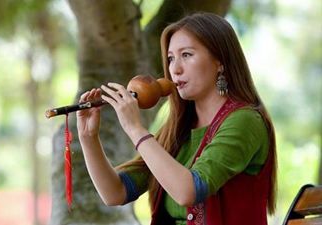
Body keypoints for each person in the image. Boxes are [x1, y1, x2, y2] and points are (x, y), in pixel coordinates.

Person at [76, 12, 277, 225]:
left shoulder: (245, 121)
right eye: (171, 58)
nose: (175, 69)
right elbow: (115, 193)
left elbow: (188, 191)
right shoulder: (178, 131)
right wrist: (88, 137)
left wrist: (135, 128)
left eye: (187, 55)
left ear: (220, 61)